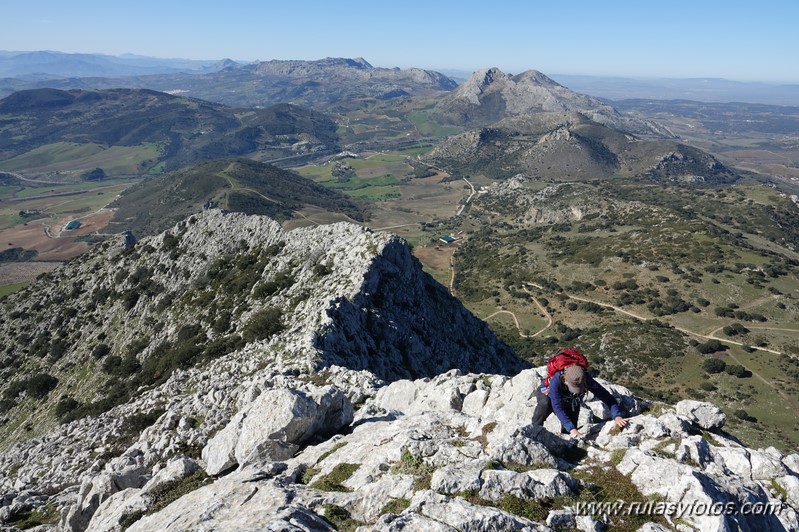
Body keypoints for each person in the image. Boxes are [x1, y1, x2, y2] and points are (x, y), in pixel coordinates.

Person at [532, 363, 628, 437]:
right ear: (565, 379)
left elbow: (608, 398)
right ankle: (534, 430)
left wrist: (617, 416)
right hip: (548, 392)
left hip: (572, 400)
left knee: (570, 433)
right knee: (545, 404)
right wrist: (571, 428)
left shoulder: (586, 379)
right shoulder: (556, 380)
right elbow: (558, 407)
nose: (578, 390)